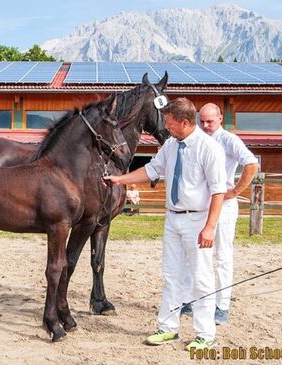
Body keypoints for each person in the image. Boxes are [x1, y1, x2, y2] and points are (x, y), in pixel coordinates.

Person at [103, 97, 226, 351]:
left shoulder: (209, 148)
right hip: (173, 218)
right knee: (172, 275)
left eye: (169, 123)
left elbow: (218, 191)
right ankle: (168, 327)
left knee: (200, 277)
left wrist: (210, 227)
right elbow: (151, 170)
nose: (165, 127)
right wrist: (120, 179)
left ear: (185, 122)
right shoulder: (171, 145)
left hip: (197, 219)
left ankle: (205, 334)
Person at [180, 103, 259, 325]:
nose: (205, 125)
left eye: (210, 121)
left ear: (220, 119)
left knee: (222, 256)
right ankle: (189, 300)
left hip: (223, 206)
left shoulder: (229, 140)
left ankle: (221, 306)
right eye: (202, 121)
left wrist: (234, 191)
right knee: (193, 253)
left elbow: (251, 164)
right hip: (200, 206)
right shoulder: (195, 139)